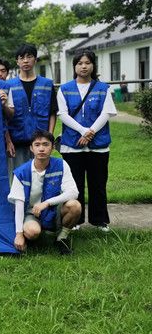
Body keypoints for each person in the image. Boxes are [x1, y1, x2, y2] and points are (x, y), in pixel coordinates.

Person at [57, 50, 117, 232]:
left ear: (93, 65)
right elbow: (62, 114)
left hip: (98, 146)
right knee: (74, 184)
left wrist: (90, 132)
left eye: (87, 63)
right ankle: (75, 219)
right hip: (72, 145)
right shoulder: (64, 89)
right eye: (80, 63)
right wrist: (83, 131)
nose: (83, 66)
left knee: (98, 184)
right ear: (74, 66)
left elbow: (107, 112)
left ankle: (100, 220)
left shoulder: (103, 88)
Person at [8, 130, 81, 255]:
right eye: (37, 145)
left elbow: (73, 192)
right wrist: (19, 234)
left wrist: (47, 203)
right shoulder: (21, 172)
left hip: (53, 209)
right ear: (31, 148)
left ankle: (61, 238)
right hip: (31, 212)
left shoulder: (61, 164)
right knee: (32, 232)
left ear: (52, 147)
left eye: (46, 144)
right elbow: (19, 204)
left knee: (75, 206)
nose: (41, 149)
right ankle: (38, 232)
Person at [6, 44, 57, 170]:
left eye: (29, 57)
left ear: (35, 60)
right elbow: (4, 117)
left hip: (41, 143)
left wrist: (50, 138)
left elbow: (52, 112)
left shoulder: (46, 84)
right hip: (17, 142)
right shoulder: (9, 85)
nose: (25, 61)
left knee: (41, 176)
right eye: (21, 57)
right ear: (17, 61)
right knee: (20, 176)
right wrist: (8, 141)